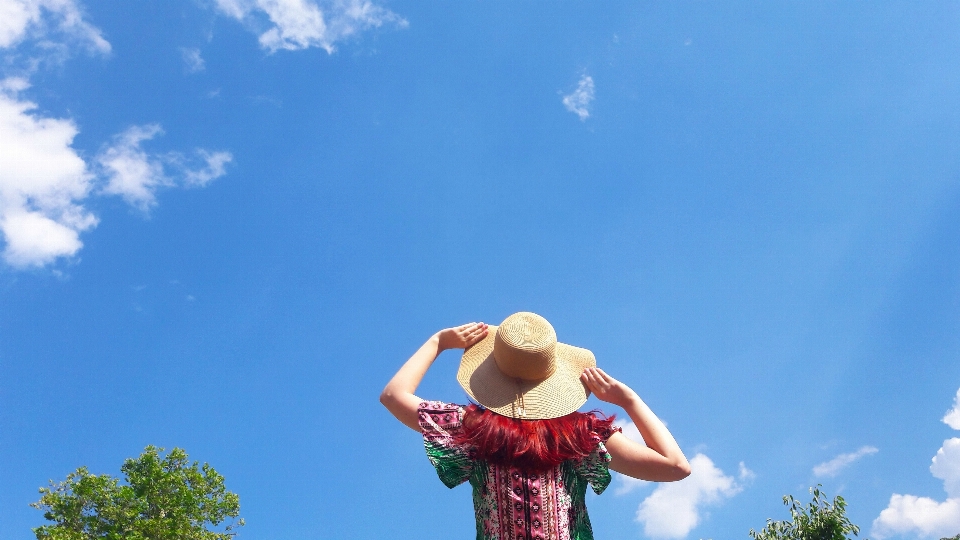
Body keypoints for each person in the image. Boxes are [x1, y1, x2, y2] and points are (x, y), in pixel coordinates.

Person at [381, 312, 691, 540]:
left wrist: (438, 342)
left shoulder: (473, 427)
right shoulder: (579, 435)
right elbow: (675, 466)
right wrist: (629, 400)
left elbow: (394, 396)